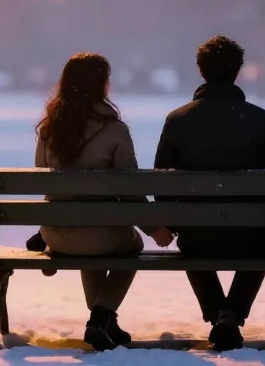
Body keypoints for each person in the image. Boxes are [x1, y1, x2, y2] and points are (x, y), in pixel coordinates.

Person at [35, 53, 173, 351]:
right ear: (102, 85)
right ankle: (100, 318)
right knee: (130, 245)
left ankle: (106, 321)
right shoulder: (115, 130)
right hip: (102, 233)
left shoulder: (50, 128)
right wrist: (153, 229)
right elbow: (130, 189)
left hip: (59, 235)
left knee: (92, 237)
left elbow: (43, 179)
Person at [153, 36, 265, 351]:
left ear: (201, 71)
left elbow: (160, 183)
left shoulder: (179, 120)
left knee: (192, 241)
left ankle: (220, 312)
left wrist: (172, 221)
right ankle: (231, 313)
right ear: (237, 71)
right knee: (260, 241)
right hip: (250, 234)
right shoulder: (260, 119)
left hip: (197, 234)